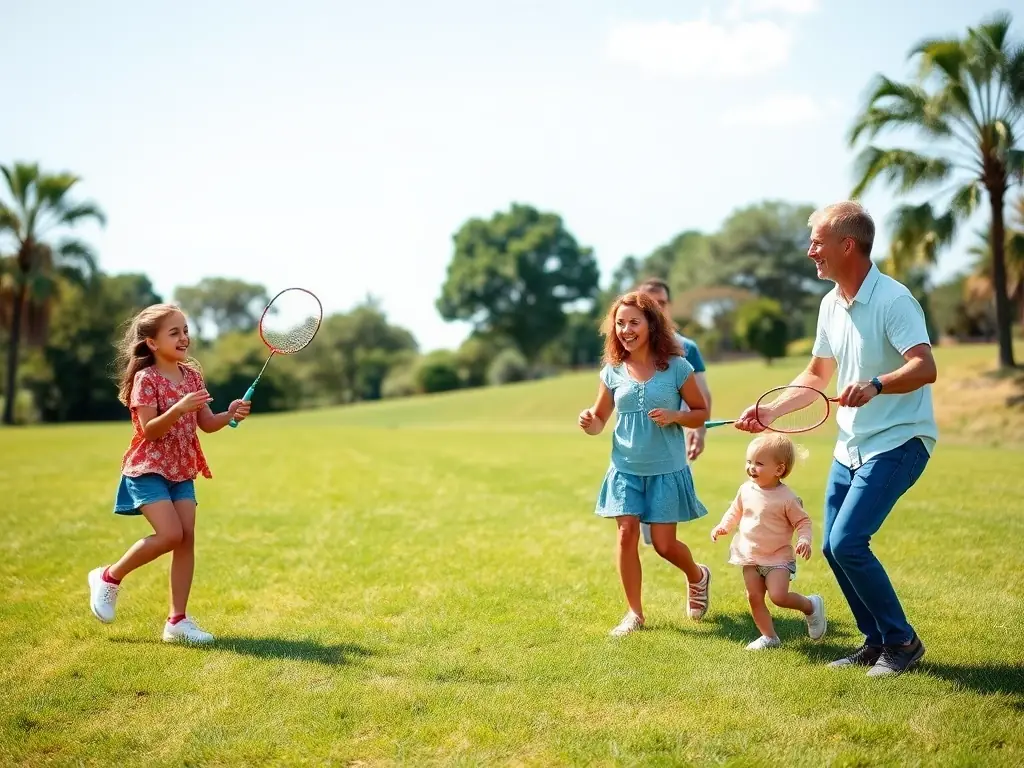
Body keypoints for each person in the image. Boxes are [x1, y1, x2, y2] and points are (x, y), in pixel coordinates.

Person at [734, 201, 937, 677]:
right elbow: (817, 374)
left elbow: (925, 366)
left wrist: (877, 384)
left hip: (900, 440)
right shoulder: (830, 304)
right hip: (850, 445)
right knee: (832, 546)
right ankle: (875, 642)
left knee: (848, 542)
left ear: (848, 245)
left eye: (818, 243)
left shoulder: (894, 300)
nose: (811, 252)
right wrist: (770, 412)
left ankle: (902, 642)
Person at [87, 303, 252, 645]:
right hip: (148, 467)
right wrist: (178, 408)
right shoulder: (146, 380)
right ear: (151, 343)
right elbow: (148, 430)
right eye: (174, 332)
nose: (183, 338)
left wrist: (230, 413)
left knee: (186, 536)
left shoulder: (191, 375)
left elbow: (206, 423)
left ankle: (177, 621)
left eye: (185, 331)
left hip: (181, 468)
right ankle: (108, 576)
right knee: (170, 534)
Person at [578, 290, 712, 637]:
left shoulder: (678, 367)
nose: (626, 329)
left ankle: (697, 576)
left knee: (665, 546)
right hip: (625, 468)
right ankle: (634, 614)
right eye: (620, 323)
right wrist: (589, 421)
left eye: (633, 322)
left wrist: (675, 416)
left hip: (666, 469)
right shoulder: (613, 371)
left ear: (651, 324)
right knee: (626, 535)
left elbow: (700, 415)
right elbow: (599, 422)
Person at [711, 433, 827, 650]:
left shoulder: (787, 498)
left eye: (759, 463)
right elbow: (734, 511)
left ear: (779, 469)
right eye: (749, 462)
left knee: (779, 596)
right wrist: (723, 526)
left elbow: (803, 522)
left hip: (777, 557)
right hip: (750, 555)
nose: (751, 467)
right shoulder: (745, 490)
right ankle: (769, 637)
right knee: (754, 597)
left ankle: (810, 605)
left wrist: (804, 539)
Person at [636, 277, 713, 547]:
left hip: (672, 442)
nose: (657, 308)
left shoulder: (686, 348)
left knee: (659, 537)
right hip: (636, 447)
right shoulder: (628, 346)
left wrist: (699, 431)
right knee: (635, 530)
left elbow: (702, 396)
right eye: (649, 303)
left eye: (662, 303)